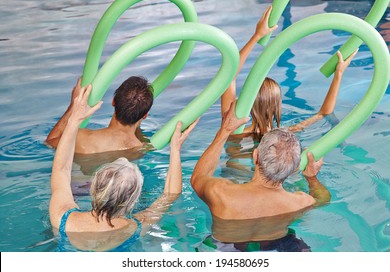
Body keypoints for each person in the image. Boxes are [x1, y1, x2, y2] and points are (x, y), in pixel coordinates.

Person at [50, 84, 198, 251]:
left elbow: (61, 170)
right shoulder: (134, 228)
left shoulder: (63, 218)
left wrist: (74, 119)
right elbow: (170, 196)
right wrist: (175, 149)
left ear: (95, 187)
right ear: (132, 200)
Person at [191, 102, 330, 252]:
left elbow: (198, 177)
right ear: (295, 168)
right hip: (275, 248)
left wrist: (224, 131)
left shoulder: (221, 193)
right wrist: (311, 177)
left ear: (255, 155)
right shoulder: (300, 202)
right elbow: (323, 199)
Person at [221, 6, 358, 139]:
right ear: (277, 105)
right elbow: (323, 113)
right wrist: (338, 74)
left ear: (248, 101)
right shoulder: (283, 133)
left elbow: (229, 75)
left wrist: (257, 36)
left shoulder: (231, 131)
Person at [46, 76, 154, 154]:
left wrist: (73, 106)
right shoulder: (140, 149)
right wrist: (137, 114)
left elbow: (49, 143)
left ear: (113, 102)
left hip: (79, 184)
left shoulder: (82, 138)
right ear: (145, 116)